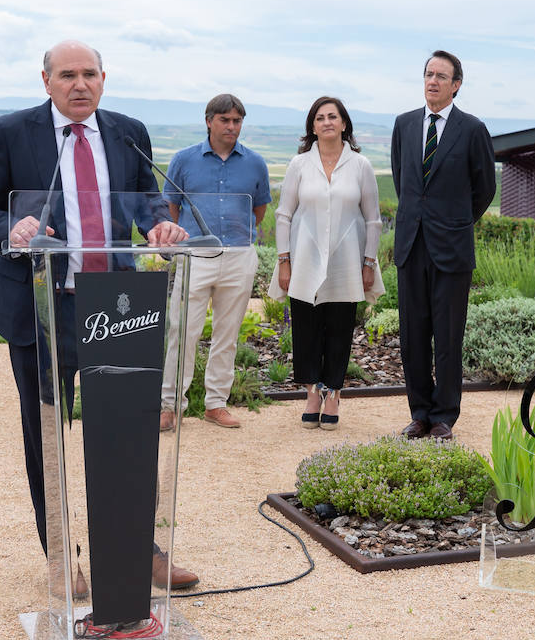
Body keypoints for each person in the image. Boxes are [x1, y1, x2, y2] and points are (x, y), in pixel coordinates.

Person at [0, 40, 197, 593]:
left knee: (126, 435)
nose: (80, 84)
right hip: (41, 307)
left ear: (103, 78)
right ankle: (60, 560)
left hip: (116, 306)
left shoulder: (127, 131)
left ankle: (141, 550)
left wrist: (157, 228)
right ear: (45, 81)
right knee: (47, 436)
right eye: (67, 75)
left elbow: (142, 200)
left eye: (89, 74)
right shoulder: (11, 130)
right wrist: (10, 230)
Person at [389, 50, 496, 441]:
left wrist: (454, 222)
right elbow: (404, 182)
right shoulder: (404, 125)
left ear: (456, 84)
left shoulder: (472, 129)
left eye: (441, 76)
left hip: (452, 250)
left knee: (448, 336)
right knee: (412, 334)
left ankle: (444, 417)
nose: (432, 81)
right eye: (428, 74)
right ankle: (419, 413)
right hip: (411, 245)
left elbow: (484, 189)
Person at [268, 97, 383, 430]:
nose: (327, 122)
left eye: (333, 116)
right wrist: (284, 261)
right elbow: (284, 216)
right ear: (313, 126)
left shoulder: (360, 165)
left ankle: (332, 394)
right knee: (305, 329)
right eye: (320, 118)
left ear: (344, 124)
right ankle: (311, 394)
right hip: (303, 261)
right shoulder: (298, 164)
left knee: (339, 329)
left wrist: (368, 263)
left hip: (346, 263)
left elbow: (373, 220)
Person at [159, 94, 271, 431]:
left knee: (228, 334)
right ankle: (170, 406)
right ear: (209, 121)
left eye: (237, 121)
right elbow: (171, 206)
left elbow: (259, 210)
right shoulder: (183, 160)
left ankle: (216, 404)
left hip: (239, 256)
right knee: (182, 330)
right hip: (195, 254)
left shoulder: (255, 163)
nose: (232, 127)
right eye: (225, 120)